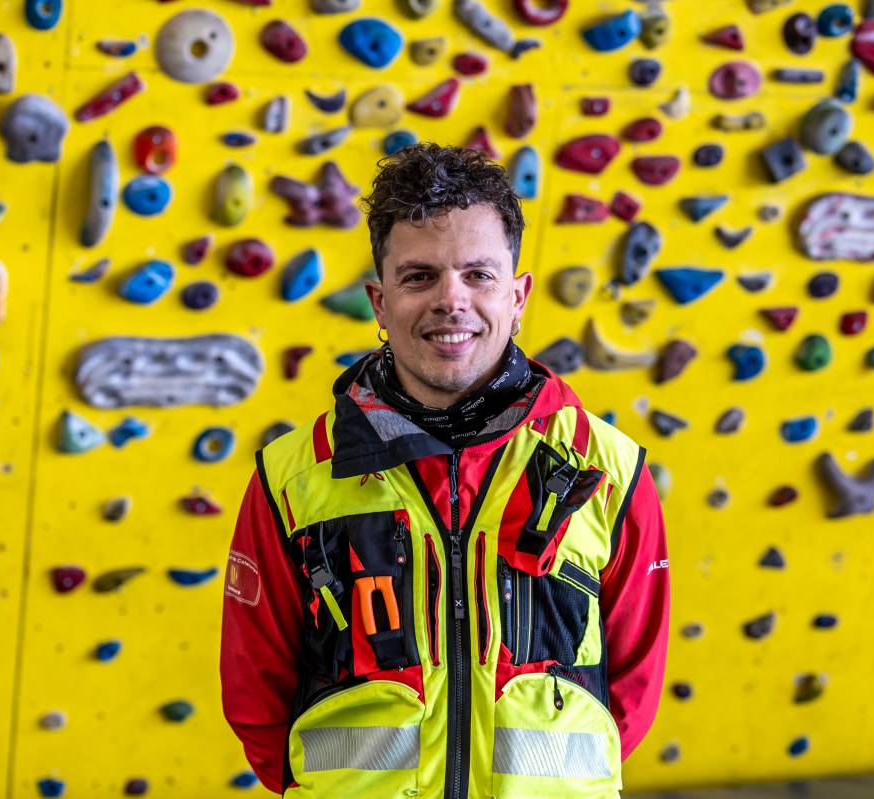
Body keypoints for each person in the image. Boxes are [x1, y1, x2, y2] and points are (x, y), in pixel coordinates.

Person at [220, 142, 669, 798]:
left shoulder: (607, 472)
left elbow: (630, 690)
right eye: (419, 276)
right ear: (379, 300)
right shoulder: (293, 479)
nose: (450, 300)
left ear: (517, 296)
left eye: (478, 275)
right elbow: (255, 690)